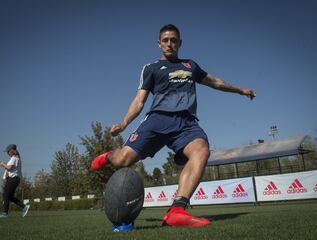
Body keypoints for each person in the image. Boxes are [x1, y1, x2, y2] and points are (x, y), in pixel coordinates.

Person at [91, 24, 256, 227]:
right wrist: (124, 123)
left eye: (174, 40)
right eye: (166, 40)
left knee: (202, 150)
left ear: (180, 43)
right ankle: (108, 156)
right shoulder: (150, 68)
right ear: (159, 44)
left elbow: (215, 82)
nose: (170, 43)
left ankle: (177, 210)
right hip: (158, 119)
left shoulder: (190, 66)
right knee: (122, 161)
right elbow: (139, 100)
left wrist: (240, 90)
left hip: (186, 123)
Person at [0, 144, 30, 218]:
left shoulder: (14, 158)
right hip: (15, 179)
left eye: (8, 151)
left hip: (13, 179)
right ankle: (24, 207)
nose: (7, 153)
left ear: (11, 151)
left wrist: (2, 164)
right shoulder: (18, 158)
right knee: (9, 196)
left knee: (5, 195)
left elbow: (9, 168)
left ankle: (5, 213)